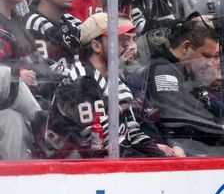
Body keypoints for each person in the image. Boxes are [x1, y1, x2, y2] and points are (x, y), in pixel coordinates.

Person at [35, 12, 163, 158]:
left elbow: (132, 133)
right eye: (118, 38)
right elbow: (101, 146)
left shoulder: (116, 82)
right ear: (96, 46)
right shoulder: (80, 83)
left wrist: (159, 158)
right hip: (63, 170)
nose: (127, 44)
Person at [143, 14, 224, 156]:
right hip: (186, 150)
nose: (214, 62)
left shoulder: (189, 70)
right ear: (186, 47)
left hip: (207, 145)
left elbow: (207, 111)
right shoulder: (163, 70)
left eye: (217, 56)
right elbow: (178, 121)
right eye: (207, 56)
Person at [24, 0, 82, 94]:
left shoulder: (73, 21)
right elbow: (47, 70)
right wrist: (86, 75)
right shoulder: (33, 23)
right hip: (49, 97)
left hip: (76, 92)